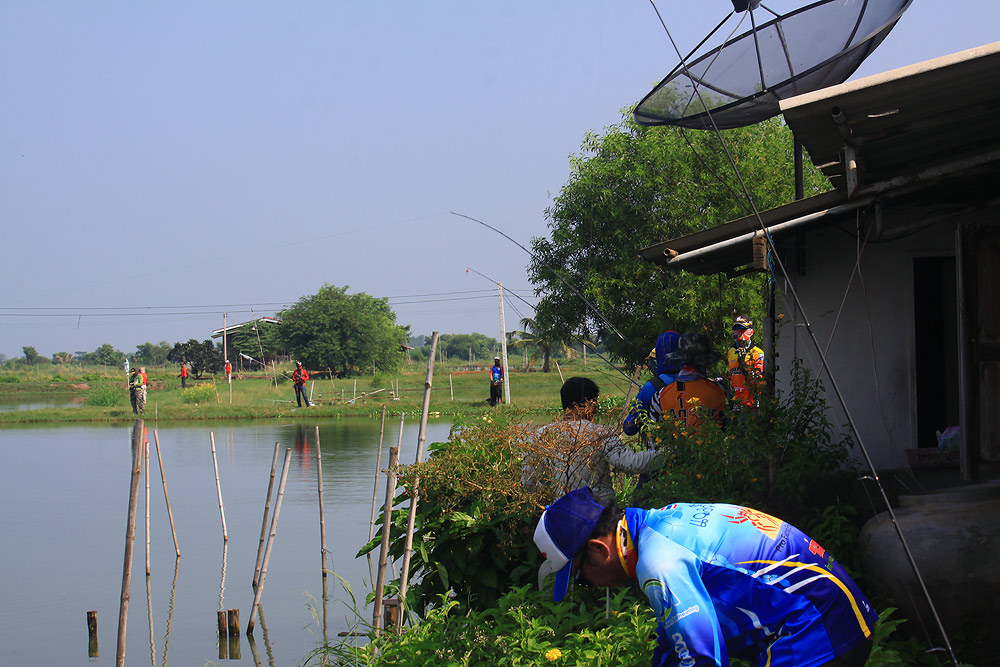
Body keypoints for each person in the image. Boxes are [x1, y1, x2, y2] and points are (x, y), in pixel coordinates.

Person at [534, 487, 877, 667]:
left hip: (818, 627)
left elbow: (703, 659)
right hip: (833, 613)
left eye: (581, 578)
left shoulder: (658, 563)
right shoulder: (655, 525)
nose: (592, 586)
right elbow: (674, 641)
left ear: (599, 550)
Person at [522, 377, 659, 504]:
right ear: (590, 404)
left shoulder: (543, 435)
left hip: (562, 516)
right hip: (600, 516)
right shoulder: (600, 434)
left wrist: (553, 496)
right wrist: (670, 452)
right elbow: (631, 463)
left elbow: (528, 481)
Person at [658, 333, 726, 428]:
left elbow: (658, 433)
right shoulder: (718, 391)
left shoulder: (663, 394)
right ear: (705, 362)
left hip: (675, 442)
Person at [623, 331, 681, 436]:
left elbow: (629, 428)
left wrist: (642, 397)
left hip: (661, 450)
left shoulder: (651, 387)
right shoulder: (701, 382)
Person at [728, 316, 765, 409]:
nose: (739, 332)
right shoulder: (731, 352)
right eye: (736, 328)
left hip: (752, 403)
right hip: (736, 402)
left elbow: (759, 382)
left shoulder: (757, 353)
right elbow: (733, 375)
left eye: (742, 329)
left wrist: (744, 367)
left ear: (750, 331)